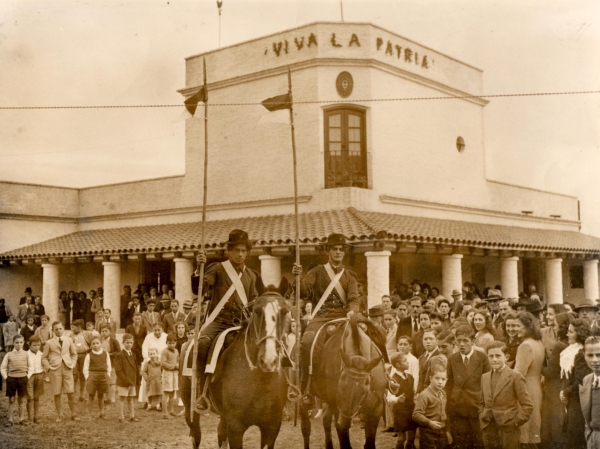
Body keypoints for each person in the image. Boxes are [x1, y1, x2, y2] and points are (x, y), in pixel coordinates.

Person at [192, 229, 261, 411]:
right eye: (236, 250)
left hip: (242, 323)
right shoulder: (217, 268)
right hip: (219, 322)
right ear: (229, 251)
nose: (240, 254)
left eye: (243, 251)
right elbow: (200, 287)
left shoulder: (251, 275)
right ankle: (202, 390)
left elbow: (254, 300)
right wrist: (198, 269)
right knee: (202, 343)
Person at [479, 341, 534, 449]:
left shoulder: (515, 376)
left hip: (508, 429)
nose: (494, 359)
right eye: (491, 356)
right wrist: (482, 416)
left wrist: (515, 422)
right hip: (489, 427)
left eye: (498, 356)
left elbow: (527, 406)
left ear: (506, 357)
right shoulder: (484, 377)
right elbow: (481, 402)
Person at [446, 324, 490, 449]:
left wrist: (485, 407)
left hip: (476, 408)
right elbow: (449, 384)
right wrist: (447, 406)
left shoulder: (482, 358)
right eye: (458, 341)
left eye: (465, 341)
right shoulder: (452, 359)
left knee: (478, 442)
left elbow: (487, 384)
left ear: (473, 341)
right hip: (458, 407)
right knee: (461, 442)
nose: (461, 344)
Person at [514, 311, 545, 448]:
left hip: (525, 389)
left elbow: (518, 374)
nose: (515, 329)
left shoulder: (525, 345)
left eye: (518, 326)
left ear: (528, 327)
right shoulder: (538, 342)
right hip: (535, 387)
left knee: (525, 432)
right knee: (533, 427)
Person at [560, 318, 593, 449]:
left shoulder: (581, 353)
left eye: (571, 332)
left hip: (579, 401)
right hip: (576, 398)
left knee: (576, 437)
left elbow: (581, 381)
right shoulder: (572, 350)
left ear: (579, 333)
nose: (567, 334)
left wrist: (565, 392)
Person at [541, 312, 572, 449]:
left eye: (555, 326)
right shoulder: (571, 344)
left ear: (562, 328)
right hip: (565, 386)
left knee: (553, 426)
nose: (553, 328)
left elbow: (550, 373)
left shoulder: (559, 345)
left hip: (555, 388)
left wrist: (540, 364)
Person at [41, 321, 79, 422]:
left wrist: (72, 364)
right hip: (55, 369)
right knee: (57, 393)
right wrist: (48, 367)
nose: (58, 331)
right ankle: (59, 415)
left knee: (71, 392)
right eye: (56, 329)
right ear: (53, 330)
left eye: (60, 328)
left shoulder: (69, 340)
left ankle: (73, 414)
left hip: (67, 368)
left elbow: (74, 354)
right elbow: (44, 357)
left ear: (63, 328)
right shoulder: (49, 342)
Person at [412, 363, 451, 449]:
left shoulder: (443, 394)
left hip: (442, 431)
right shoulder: (424, 395)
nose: (440, 382)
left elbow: (445, 413)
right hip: (428, 432)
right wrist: (429, 422)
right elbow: (416, 414)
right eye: (437, 378)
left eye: (443, 379)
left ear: (446, 380)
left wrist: (447, 431)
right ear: (430, 379)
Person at [387, 352, 416, 449]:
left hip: (411, 410)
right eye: (405, 361)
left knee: (411, 436)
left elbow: (413, 392)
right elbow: (389, 398)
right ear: (398, 365)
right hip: (400, 412)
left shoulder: (410, 377)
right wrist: (397, 399)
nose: (408, 363)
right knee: (401, 438)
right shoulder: (393, 380)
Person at [0, 334, 28, 426]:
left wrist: (27, 376)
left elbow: (31, 366)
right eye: (17, 342)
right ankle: (10, 419)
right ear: (13, 343)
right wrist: (6, 377)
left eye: (21, 342)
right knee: (11, 400)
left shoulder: (26, 354)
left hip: (23, 378)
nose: (19, 344)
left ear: (23, 343)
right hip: (11, 379)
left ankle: (21, 419)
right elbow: (3, 367)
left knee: (21, 400)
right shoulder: (9, 354)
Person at [139, 322, 167, 407]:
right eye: (155, 330)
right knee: (147, 382)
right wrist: (149, 360)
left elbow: (166, 350)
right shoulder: (148, 337)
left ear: (162, 329)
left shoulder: (166, 336)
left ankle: (161, 402)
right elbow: (144, 349)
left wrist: (159, 361)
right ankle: (147, 401)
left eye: (159, 330)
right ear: (152, 330)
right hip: (149, 362)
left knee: (161, 382)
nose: (157, 332)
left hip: (161, 363)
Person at [114, 333, 140, 423]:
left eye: (131, 342)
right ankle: (121, 417)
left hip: (132, 381)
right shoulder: (119, 355)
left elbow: (136, 367)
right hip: (123, 381)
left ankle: (132, 416)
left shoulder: (133, 354)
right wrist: (125, 380)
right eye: (127, 342)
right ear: (123, 343)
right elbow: (118, 370)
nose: (129, 344)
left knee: (131, 399)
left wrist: (136, 379)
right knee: (122, 399)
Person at [83, 336, 111, 419]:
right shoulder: (89, 355)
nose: (95, 345)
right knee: (91, 395)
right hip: (92, 376)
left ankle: (101, 413)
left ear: (101, 344)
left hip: (103, 375)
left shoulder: (105, 354)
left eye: (97, 343)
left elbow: (109, 365)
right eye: (93, 344)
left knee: (101, 395)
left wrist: (108, 375)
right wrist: (88, 377)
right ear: (91, 345)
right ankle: (90, 414)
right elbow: (85, 368)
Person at [580, 335, 600, 449]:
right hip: (593, 440)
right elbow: (587, 416)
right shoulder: (587, 380)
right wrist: (589, 436)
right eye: (590, 355)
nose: (595, 360)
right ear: (584, 356)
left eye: (599, 355)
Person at [70, 319, 92, 401]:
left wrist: (88, 351)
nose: (72, 329)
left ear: (79, 327)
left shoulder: (87, 334)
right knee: (74, 375)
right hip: (74, 356)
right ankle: (74, 394)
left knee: (83, 375)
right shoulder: (71, 335)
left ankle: (82, 394)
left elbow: (92, 343)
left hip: (84, 355)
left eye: (74, 327)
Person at [125, 312, 147, 391]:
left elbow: (145, 338)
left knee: (140, 366)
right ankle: (132, 384)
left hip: (140, 349)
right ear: (133, 319)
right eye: (136, 319)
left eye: (139, 319)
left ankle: (140, 384)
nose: (137, 320)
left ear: (141, 319)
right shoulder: (129, 327)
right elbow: (126, 337)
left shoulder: (144, 327)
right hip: (132, 348)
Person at [99, 324, 120, 405]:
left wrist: (110, 354)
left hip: (111, 363)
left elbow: (118, 351)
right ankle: (106, 398)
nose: (104, 333)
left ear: (110, 332)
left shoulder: (114, 341)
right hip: (102, 363)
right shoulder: (100, 341)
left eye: (106, 331)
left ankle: (112, 398)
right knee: (105, 381)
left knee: (112, 381)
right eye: (102, 331)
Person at [160, 334, 179, 419]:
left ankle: (171, 410)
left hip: (174, 374)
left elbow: (178, 361)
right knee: (166, 393)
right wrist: (174, 366)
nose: (172, 345)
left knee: (172, 392)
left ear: (176, 343)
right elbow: (163, 364)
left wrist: (178, 366)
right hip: (167, 373)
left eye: (173, 343)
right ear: (166, 343)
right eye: (170, 343)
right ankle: (165, 413)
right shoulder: (165, 351)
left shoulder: (176, 351)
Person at [26, 335, 44, 424]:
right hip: (30, 377)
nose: (37, 347)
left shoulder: (42, 354)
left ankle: (36, 417)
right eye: (34, 345)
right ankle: (29, 418)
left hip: (39, 376)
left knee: (37, 397)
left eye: (38, 345)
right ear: (29, 345)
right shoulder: (26, 354)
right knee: (30, 397)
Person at [417, 328, 441, 393]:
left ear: (437, 340)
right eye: (425, 339)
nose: (428, 341)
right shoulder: (421, 357)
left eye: (431, 338)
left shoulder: (440, 356)